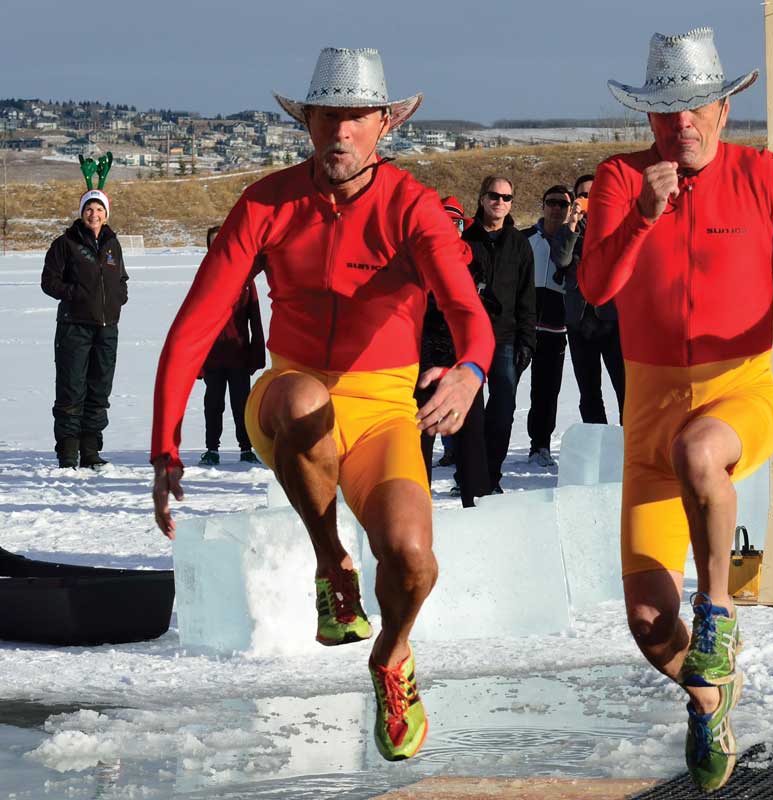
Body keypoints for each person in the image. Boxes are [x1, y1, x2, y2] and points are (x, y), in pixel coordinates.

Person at [149, 47, 494, 762]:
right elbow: (195, 325)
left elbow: (467, 308)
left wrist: (469, 368)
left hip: (384, 408)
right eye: (326, 116)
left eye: (356, 118)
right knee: (307, 398)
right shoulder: (269, 201)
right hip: (290, 389)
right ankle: (332, 562)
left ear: (384, 126)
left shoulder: (413, 207)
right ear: (306, 122)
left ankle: (392, 659)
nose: (340, 132)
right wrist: (165, 446)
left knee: (413, 562)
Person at [582, 27, 773, 791]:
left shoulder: (765, 176)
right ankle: (708, 697)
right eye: (668, 114)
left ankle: (718, 613)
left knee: (703, 452)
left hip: (739, 392)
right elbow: (596, 288)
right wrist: (642, 214)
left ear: (725, 106)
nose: (684, 127)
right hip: (649, 414)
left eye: (699, 108)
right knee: (645, 623)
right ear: (648, 119)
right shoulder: (617, 179)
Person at [41, 187, 129, 469]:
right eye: (89, 209)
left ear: (106, 214)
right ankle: (68, 452)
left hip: (106, 328)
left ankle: (91, 449)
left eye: (99, 210)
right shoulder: (65, 243)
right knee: (71, 388)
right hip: (74, 327)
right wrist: (76, 294)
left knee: (99, 389)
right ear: (82, 213)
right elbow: (49, 282)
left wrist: (118, 297)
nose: (94, 214)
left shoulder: (113, 244)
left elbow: (121, 278)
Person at [462, 176, 536, 494]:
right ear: (481, 198)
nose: (500, 202)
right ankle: (470, 477)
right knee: (469, 412)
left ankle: (492, 476)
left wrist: (527, 341)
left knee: (503, 410)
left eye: (507, 198)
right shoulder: (465, 240)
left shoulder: (519, 244)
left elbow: (526, 297)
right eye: (494, 195)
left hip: (505, 340)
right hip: (468, 340)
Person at [416, 196, 489, 508]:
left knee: (472, 434)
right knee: (422, 433)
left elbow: (484, 310)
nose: (451, 228)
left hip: (462, 360)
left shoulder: (474, 259)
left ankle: (477, 503)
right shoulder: (419, 261)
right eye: (444, 222)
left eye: (456, 223)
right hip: (423, 357)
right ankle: (415, 502)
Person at [197, 224, 265, 466]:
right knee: (213, 404)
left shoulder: (245, 279)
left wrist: (257, 355)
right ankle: (211, 448)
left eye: (222, 241)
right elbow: (195, 322)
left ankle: (246, 448)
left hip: (238, 355)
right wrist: (195, 361)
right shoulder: (204, 278)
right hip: (212, 357)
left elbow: (254, 319)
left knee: (241, 404)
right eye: (213, 243)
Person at [559, 173, 625, 425]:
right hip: (579, 322)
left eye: (594, 195)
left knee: (625, 389)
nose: (588, 200)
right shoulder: (568, 230)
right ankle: (596, 449)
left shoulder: (618, 225)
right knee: (589, 393)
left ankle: (628, 449)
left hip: (612, 320)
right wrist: (573, 223)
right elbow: (562, 259)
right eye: (583, 195)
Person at [522, 185, 574, 467]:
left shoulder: (572, 242)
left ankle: (540, 445)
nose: (556, 208)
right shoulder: (524, 239)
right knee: (504, 391)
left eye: (562, 205)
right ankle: (491, 446)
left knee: (547, 390)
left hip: (555, 330)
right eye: (551, 202)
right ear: (542, 206)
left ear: (569, 211)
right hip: (522, 329)